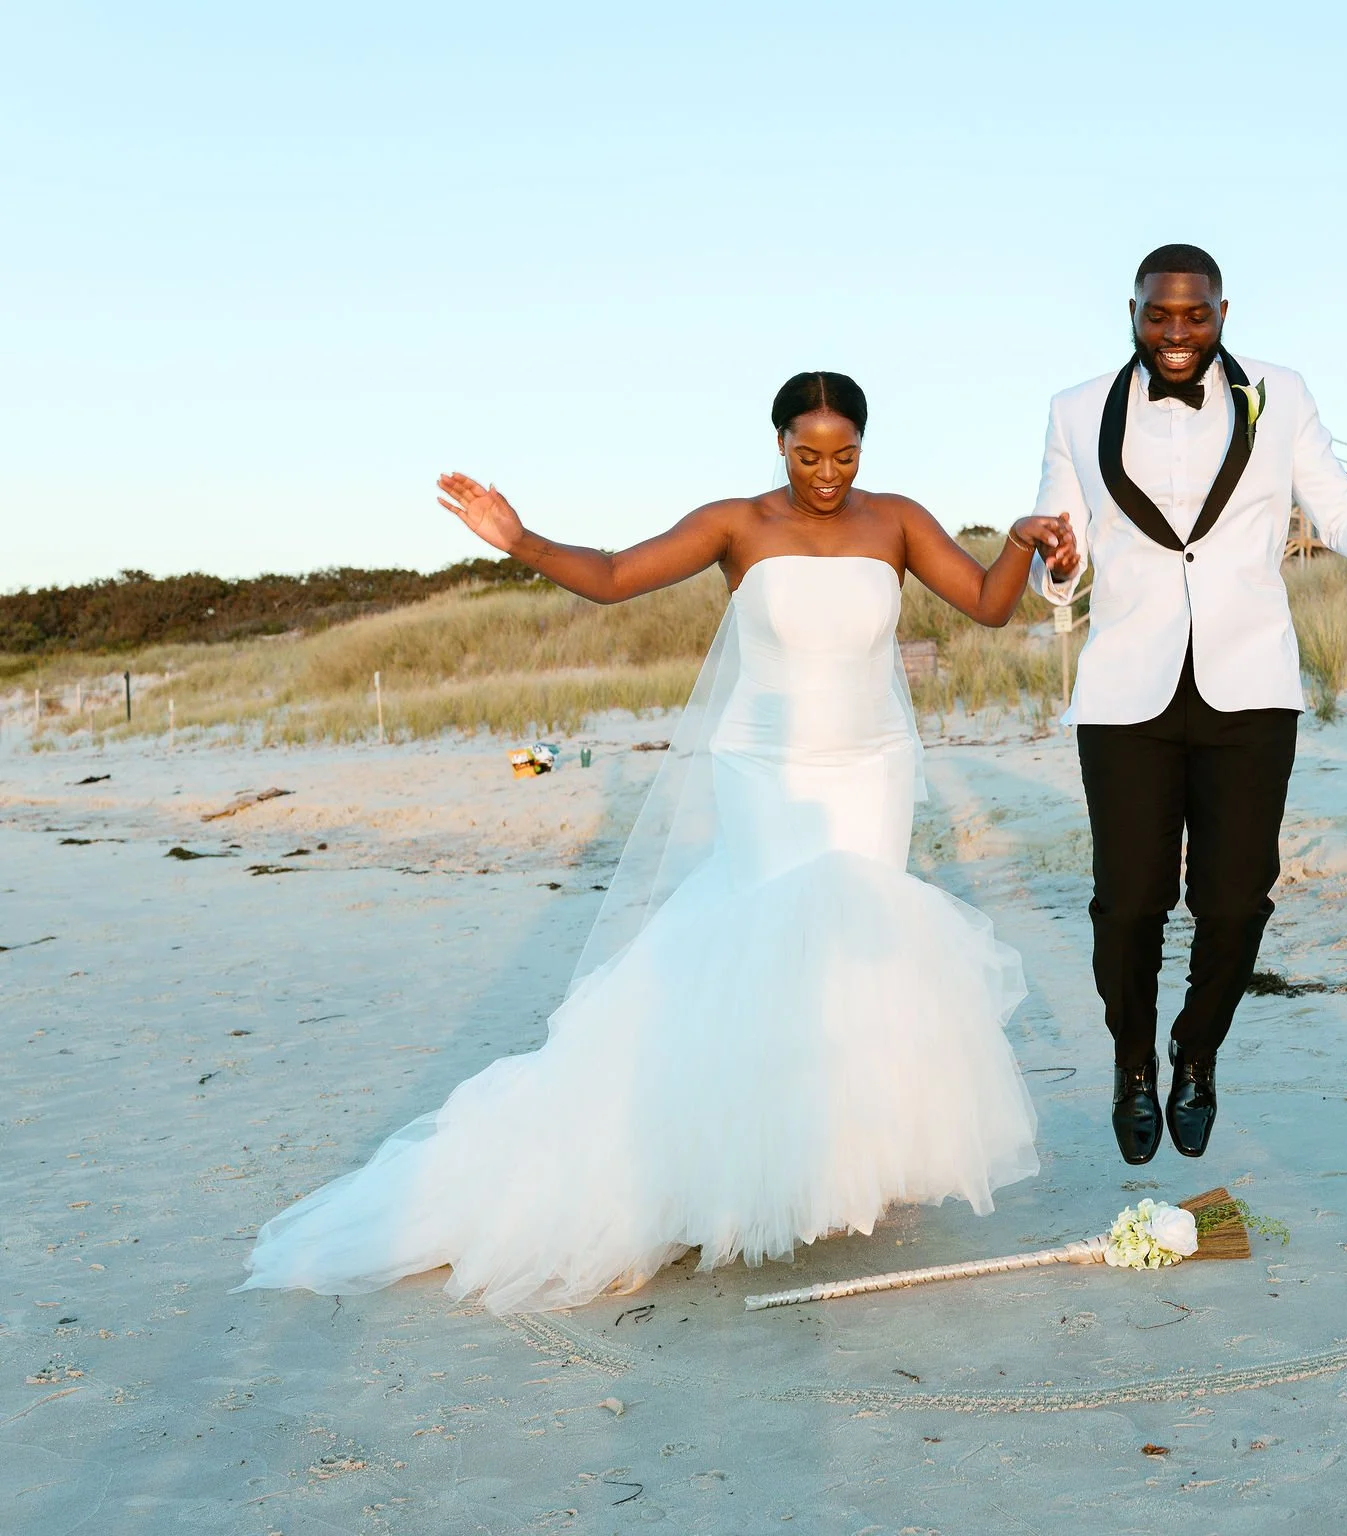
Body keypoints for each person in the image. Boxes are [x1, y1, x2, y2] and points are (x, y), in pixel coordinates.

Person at [237, 371, 1075, 1314]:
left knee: (856, 955)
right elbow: (611, 578)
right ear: (779, 446)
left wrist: (1021, 544)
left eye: (845, 456)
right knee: (768, 948)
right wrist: (519, 539)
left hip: (871, 766)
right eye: (808, 455)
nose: (827, 473)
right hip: (766, 768)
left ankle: (838, 1170)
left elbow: (992, 606)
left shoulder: (899, 521)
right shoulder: (736, 523)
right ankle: (743, 1171)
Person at [1028, 244, 1347, 1166]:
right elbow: (1064, 534)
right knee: (1128, 903)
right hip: (1125, 690)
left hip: (1248, 687)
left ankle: (1196, 1051)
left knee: (1237, 898)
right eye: (1157, 315)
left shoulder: (1280, 394)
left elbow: (1334, 509)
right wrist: (1056, 566)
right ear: (1129, 310)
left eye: (1195, 315)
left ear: (1223, 310)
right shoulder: (1073, 408)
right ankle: (1133, 1059)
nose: (1176, 333)